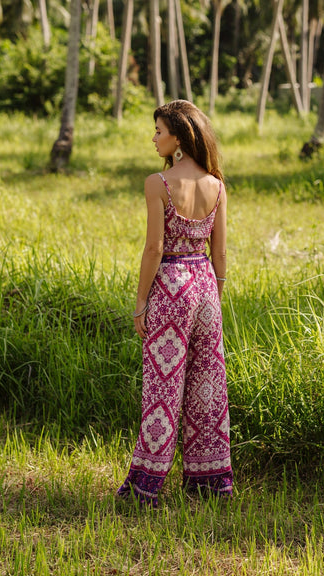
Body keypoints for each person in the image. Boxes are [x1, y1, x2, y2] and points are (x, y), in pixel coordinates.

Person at [117, 100, 233, 507]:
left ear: (179, 138)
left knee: (163, 391)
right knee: (207, 387)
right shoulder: (217, 184)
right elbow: (220, 255)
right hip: (204, 287)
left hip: (170, 287)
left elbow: (154, 248)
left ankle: (145, 486)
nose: (154, 138)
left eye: (159, 131)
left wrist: (140, 303)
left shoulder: (158, 184)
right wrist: (212, 297)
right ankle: (209, 482)